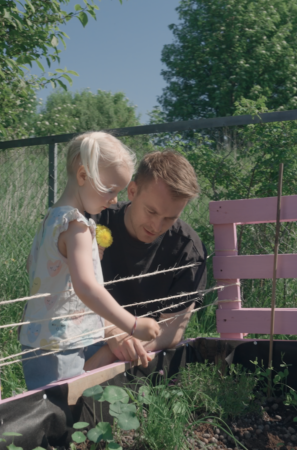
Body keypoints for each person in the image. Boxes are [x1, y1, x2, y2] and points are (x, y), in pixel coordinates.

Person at [19, 131, 160, 390]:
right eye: (110, 189)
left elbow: (32, 266)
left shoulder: (50, 220)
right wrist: (133, 324)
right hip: (64, 342)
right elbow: (86, 287)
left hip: (36, 339)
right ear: (83, 176)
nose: (115, 199)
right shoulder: (77, 226)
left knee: (44, 409)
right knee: (66, 409)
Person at [84, 150, 207, 369]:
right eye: (151, 211)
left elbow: (171, 331)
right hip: (83, 333)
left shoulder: (188, 249)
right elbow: (59, 285)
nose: (156, 226)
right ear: (132, 191)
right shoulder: (92, 222)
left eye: (170, 218)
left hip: (142, 350)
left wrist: (116, 349)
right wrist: (112, 333)